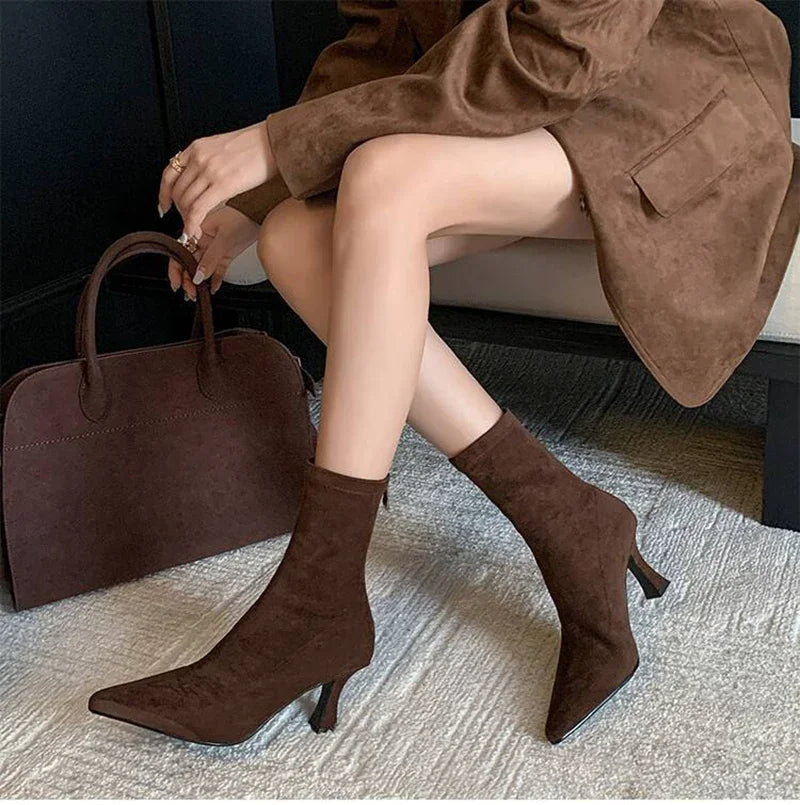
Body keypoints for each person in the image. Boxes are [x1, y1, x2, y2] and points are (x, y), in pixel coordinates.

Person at [87, 0, 798, 747]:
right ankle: (568, 517)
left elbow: (561, 51)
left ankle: (315, 601)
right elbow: (383, 35)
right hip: (526, 97)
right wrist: (265, 196)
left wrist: (272, 145)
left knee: (385, 176)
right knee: (295, 238)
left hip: (672, 95)